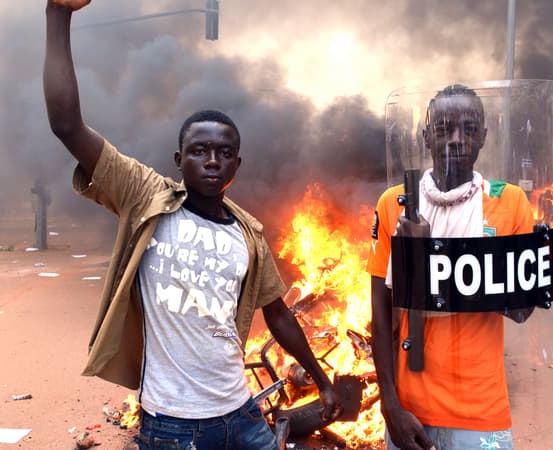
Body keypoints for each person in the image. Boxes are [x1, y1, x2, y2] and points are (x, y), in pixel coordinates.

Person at [43, 1, 342, 449]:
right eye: (199, 151)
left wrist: (322, 379)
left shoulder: (249, 234)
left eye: (224, 153)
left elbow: (277, 314)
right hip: (172, 426)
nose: (212, 161)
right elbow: (67, 124)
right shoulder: (145, 196)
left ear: (237, 165)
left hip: (242, 416)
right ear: (179, 160)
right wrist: (58, 14)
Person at [367, 85, 535, 450]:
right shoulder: (395, 203)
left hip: (481, 413)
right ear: (426, 137)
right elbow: (380, 314)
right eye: (443, 129)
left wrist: (532, 269)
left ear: (484, 137)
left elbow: (522, 312)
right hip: (410, 410)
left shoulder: (509, 202)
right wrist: (390, 406)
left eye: (469, 129)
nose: (457, 140)